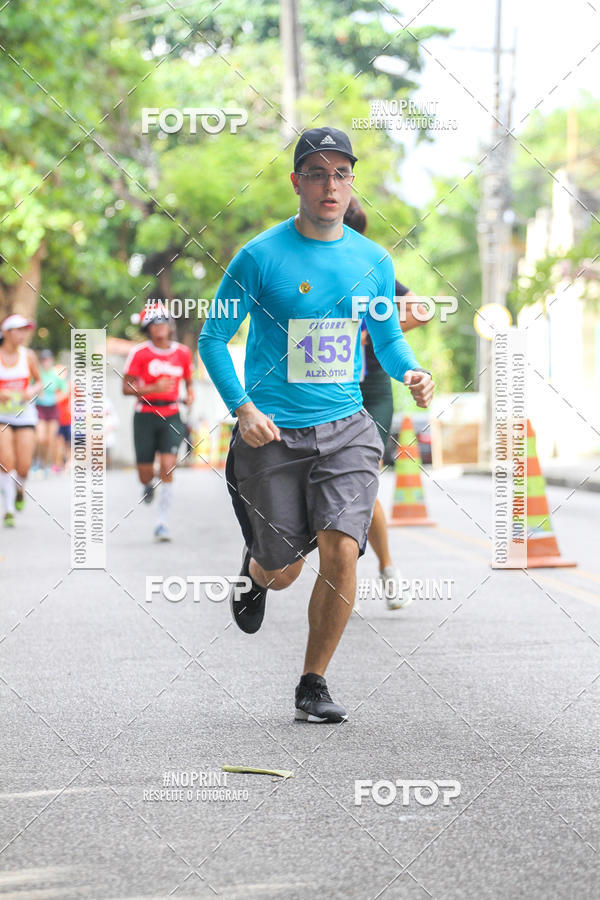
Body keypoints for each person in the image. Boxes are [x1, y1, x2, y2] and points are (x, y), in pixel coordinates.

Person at [198, 126, 434, 724]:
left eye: (341, 173)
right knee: (283, 572)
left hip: (346, 426)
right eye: (318, 173)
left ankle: (313, 683)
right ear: (297, 181)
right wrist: (243, 408)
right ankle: (254, 573)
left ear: (351, 182)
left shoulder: (372, 260)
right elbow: (213, 339)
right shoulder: (259, 256)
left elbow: (388, 337)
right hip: (272, 431)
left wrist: (411, 372)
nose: (331, 185)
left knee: (340, 551)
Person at [343, 196, 430, 610]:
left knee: (361, 482)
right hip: (324, 387)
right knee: (333, 483)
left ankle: (386, 568)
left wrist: (371, 335)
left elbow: (421, 309)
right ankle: (341, 577)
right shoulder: (303, 265)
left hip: (372, 384)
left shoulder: (371, 268)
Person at [122, 307, 194, 541]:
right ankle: (147, 483)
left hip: (172, 413)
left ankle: (162, 523)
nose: (160, 325)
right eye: (154, 322)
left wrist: (190, 394)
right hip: (145, 414)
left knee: (167, 466)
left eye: (164, 320)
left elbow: (189, 381)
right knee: (145, 473)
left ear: (170, 324)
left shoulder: (183, 353)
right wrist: (152, 388)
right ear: (147, 328)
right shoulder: (140, 353)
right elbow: (125, 388)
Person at [0, 314, 43, 526]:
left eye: (25, 330)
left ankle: (19, 490)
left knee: (24, 466)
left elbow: (40, 382)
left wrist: (30, 391)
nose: (22, 334)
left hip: (25, 416)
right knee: (6, 463)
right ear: (6, 332)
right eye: (18, 330)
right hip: (2, 417)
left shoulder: (28, 356)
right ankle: (8, 509)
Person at [35, 349, 66, 474]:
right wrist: (37, 393)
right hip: (40, 408)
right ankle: (39, 460)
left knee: (50, 439)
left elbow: (64, 390)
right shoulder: (37, 373)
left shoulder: (56, 375)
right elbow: (31, 386)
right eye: (43, 360)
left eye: (47, 359)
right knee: (40, 438)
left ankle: (47, 464)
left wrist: (56, 398)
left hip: (52, 409)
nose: (45, 362)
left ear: (51, 360)